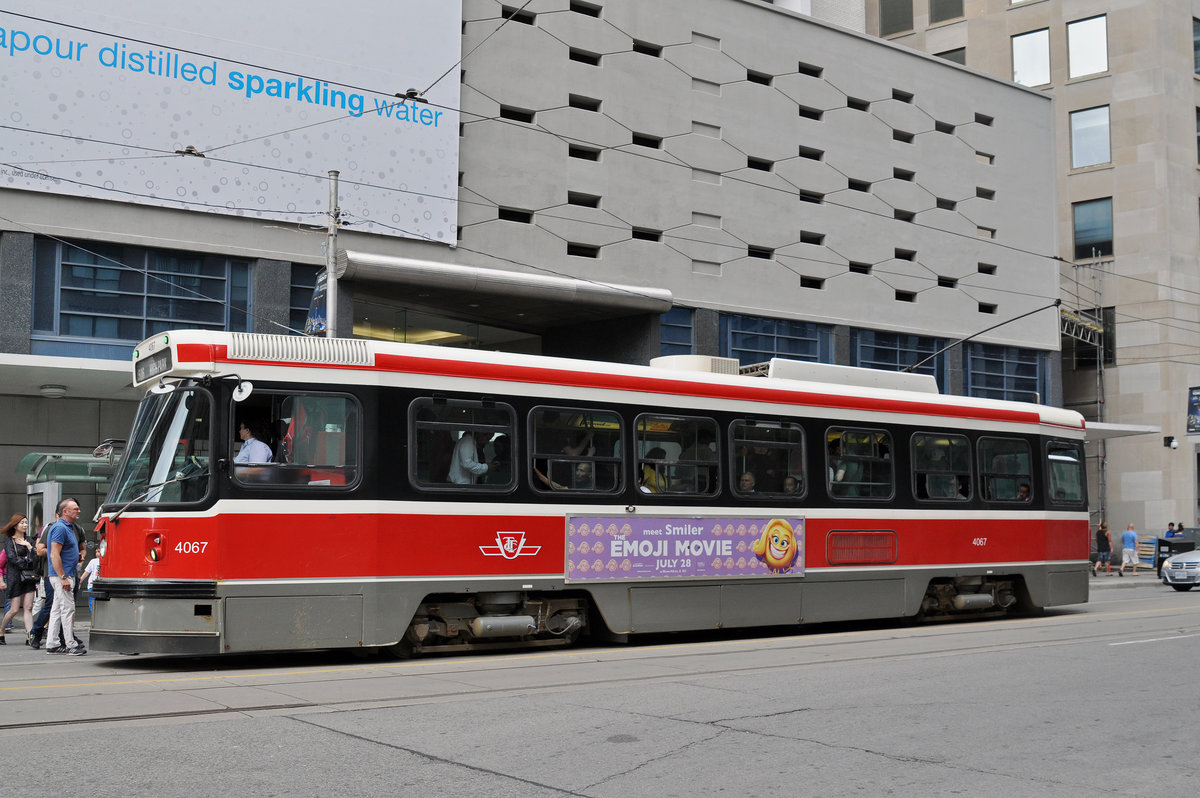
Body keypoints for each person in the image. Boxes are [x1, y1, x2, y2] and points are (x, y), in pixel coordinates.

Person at [45, 498, 85, 655]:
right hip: (63, 575)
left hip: (63, 574)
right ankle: (70, 644)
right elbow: (54, 554)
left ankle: (52, 643)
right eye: (75, 509)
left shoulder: (66, 527)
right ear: (65, 511)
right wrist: (62, 577)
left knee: (57, 610)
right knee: (68, 610)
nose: (78, 510)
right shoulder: (61, 528)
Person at [1, 514, 37, 644]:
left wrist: (28, 546)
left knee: (28, 607)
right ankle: (1, 631)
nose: (25, 525)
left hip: (28, 577)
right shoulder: (9, 541)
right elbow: (12, 558)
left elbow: (35, 558)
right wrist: (27, 561)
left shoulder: (29, 540)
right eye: (22, 522)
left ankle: (30, 636)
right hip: (15, 577)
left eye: (26, 522)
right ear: (15, 524)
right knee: (14, 609)